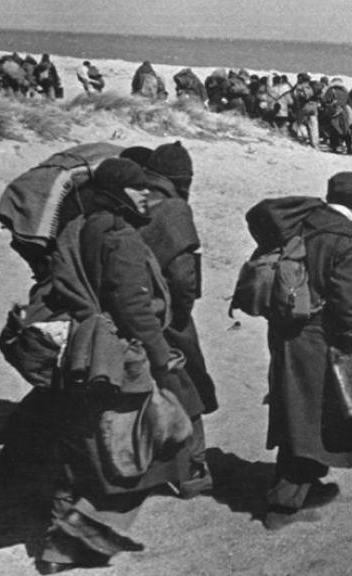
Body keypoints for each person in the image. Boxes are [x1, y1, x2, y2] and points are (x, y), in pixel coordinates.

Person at [37, 158, 194, 572]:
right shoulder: (120, 238)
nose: (147, 195)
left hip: (82, 355)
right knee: (140, 454)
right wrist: (163, 355)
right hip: (121, 356)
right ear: (119, 192)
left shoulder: (75, 229)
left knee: (88, 450)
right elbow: (133, 307)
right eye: (138, 188)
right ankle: (67, 544)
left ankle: (60, 535)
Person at [256, 172, 352, 530]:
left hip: (286, 330)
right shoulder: (348, 239)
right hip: (320, 337)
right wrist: (349, 344)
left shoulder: (303, 222)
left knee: (295, 409)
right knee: (311, 417)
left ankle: (296, 485)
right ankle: (283, 502)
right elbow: (348, 302)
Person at [127, 142, 217, 496]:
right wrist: (181, 312)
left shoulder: (130, 197)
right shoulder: (175, 208)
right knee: (185, 384)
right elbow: (181, 275)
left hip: (126, 311)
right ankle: (193, 470)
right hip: (164, 316)